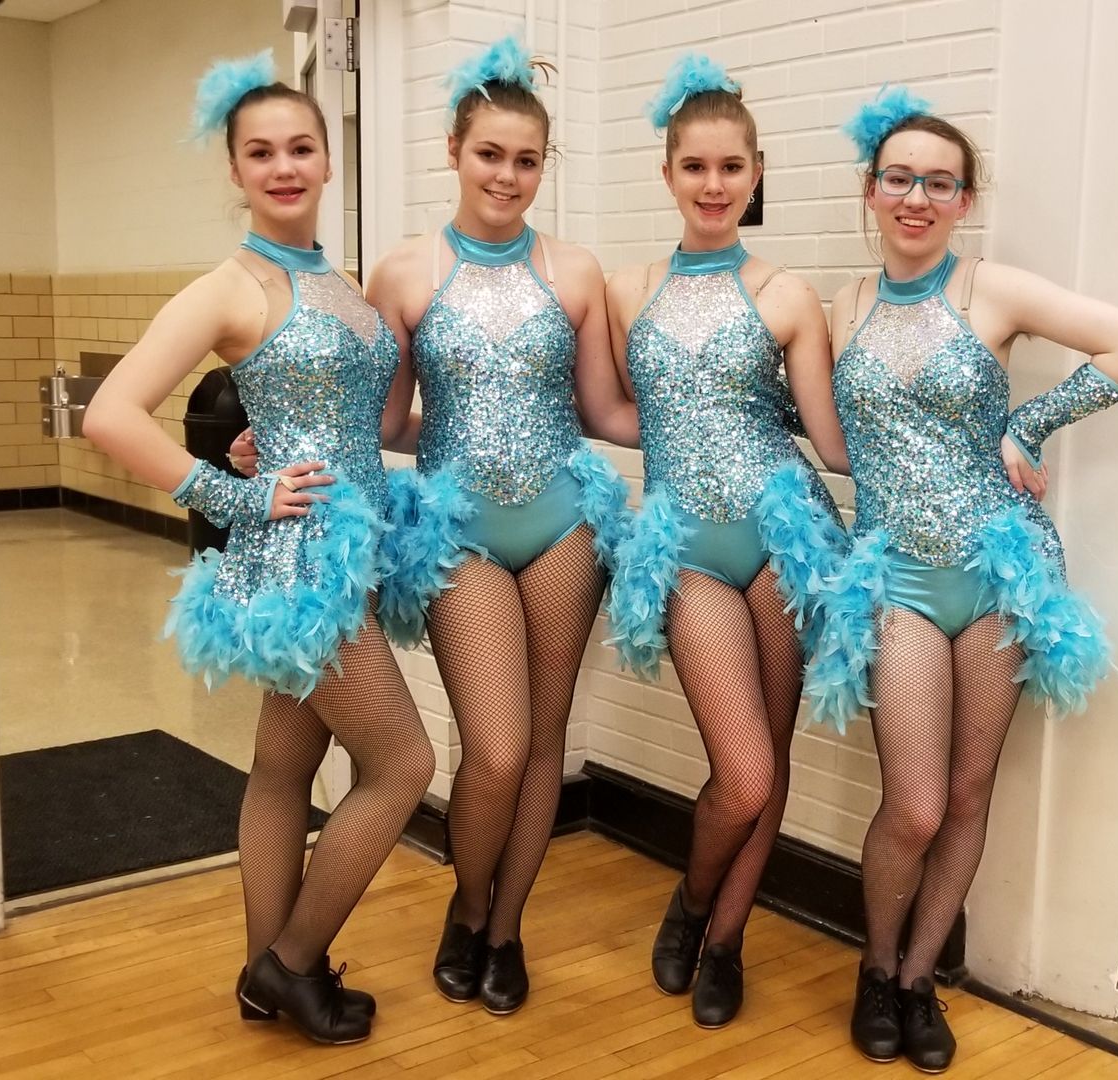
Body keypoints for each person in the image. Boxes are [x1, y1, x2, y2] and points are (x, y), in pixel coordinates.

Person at [809, 86, 1118, 1072]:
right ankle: (875, 967)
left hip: (1000, 576)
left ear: (963, 198)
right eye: (900, 179)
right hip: (898, 585)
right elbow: (831, 444)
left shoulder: (993, 291)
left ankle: (921, 979)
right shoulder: (839, 307)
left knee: (970, 796)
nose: (917, 196)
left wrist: (1031, 421)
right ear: (870, 191)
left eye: (939, 181)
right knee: (915, 805)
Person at [82, 51, 434, 1046]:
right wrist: (230, 492)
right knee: (406, 764)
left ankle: (258, 976)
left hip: (348, 559)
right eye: (261, 152)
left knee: (283, 771)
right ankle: (291, 964)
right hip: (299, 568)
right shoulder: (227, 287)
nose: (284, 165)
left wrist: (263, 442)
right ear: (235, 171)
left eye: (301, 148)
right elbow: (112, 413)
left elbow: (321, 406)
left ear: (328, 162)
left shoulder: (330, 277)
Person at [360, 35, 632, 1017]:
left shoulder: (576, 272)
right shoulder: (402, 273)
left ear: (541, 166)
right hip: (458, 531)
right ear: (453, 151)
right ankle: (465, 906)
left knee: (547, 739)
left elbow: (604, 410)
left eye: (526, 160)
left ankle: (507, 926)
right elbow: (385, 421)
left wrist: (738, 426)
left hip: (564, 523)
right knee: (500, 749)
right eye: (490, 155)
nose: (508, 175)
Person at [603, 53, 846, 1030]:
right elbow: (607, 410)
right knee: (739, 774)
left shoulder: (788, 294)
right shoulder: (628, 289)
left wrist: (973, 441)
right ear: (668, 174)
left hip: (783, 535)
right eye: (694, 168)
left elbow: (831, 441)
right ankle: (693, 900)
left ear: (755, 174)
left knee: (772, 761)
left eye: (730, 169)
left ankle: (730, 941)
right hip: (688, 547)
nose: (713, 186)